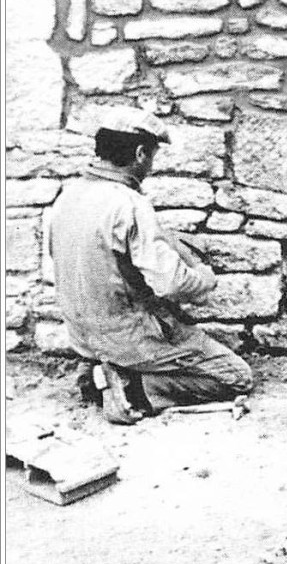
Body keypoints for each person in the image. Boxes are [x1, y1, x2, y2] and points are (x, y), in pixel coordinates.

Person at [48, 107, 253, 425]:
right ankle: (132, 389)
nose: (151, 166)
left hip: (84, 336)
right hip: (129, 338)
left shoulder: (67, 197)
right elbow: (172, 284)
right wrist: (204, 278)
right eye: (152, 156)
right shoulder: (129, 204)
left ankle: (95, 372)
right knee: (236, 377)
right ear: (141, 153)